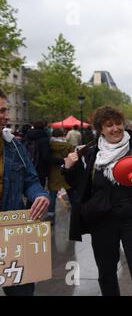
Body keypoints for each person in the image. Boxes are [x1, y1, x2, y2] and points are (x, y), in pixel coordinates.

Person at [62, 106, 132, 296]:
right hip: (102, 221)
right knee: (106, 272)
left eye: (118, 123)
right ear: (100, 129)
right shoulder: (90, 153)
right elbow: (79, 184)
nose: (115, 129)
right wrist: (68, 167)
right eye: (108, 125)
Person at [0, 88, 50, 296]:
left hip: (13, 229)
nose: (7, 115)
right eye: (2, 111)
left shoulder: (15, 147)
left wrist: (40, 195)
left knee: (22, 291)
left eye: (6, 110)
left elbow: (30, 180)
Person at [47, 128, 74, 225]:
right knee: (71, 193)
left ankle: (50, 215)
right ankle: (75, 212)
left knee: (52, 195)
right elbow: (73, 158)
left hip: (54, 172)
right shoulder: (68, 146)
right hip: (66, 172)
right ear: (63, 134)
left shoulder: (50, 146)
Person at [24, 120, 51, 188]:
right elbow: (45, 156)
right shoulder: (44, 138)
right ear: (43, 127)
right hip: (41, 167)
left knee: (30, 186)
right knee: (40, 187)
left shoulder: (27, 136)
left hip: (28, 165)